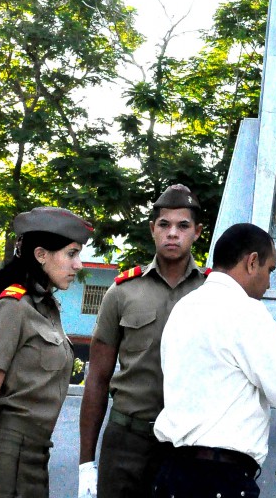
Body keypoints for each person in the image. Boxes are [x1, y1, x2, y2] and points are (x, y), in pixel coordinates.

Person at [152, 222, 276, 498]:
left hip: (173, 471)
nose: (269, 282)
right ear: (252, 262)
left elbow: (224, 377)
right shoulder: (247, 311)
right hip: (218, 478)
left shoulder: (185, 307)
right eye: (270, 270)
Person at [78, 185, 207, 498]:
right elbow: (97, 379)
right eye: (164, 224)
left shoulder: (211, 293)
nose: (172, 233)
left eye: (183, 226)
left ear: (197, 232)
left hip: (189, 444)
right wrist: (86, 464)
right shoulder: (122, 292)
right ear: (152, 229)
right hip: (127, 442)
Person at [0, 206, 92, 498]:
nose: (78, 264)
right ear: (41, 254)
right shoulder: (12, 307)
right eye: (71, 254)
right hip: (3, 457)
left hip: (36, 457)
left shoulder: (47, 309)